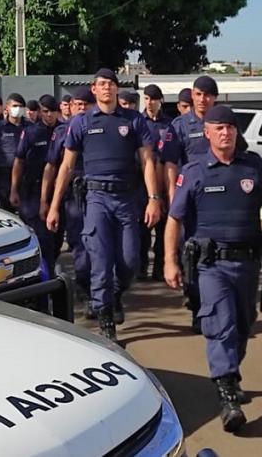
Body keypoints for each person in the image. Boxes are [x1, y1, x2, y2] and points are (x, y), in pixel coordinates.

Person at [164, 105, 262, 433]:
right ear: (207, 133)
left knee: (244, 325)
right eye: (219, 128)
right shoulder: (194, 172)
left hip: (247, 263)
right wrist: (169, 260)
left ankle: (230, 375)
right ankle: (226, 397)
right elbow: (174, 220)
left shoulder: (253, 167)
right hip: (211, 266)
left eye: (231, 127)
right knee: (222, 324)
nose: (226, 133)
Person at [47, 69, 161, 343]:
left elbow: (147, 162)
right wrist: (53, 206)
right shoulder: (81, 123)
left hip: (126, 199)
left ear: (116, 89)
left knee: (130, 261)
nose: (107, 88)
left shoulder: (133, 120)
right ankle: (106, 317)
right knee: (100, 260)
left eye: (111, 84)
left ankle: (115, 294)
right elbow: (66, 166)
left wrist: (154, 199)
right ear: (94, 90)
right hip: (95, 199)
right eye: (102, 84)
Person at [160, 76, 221, 330]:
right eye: (198, 94)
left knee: (219, 255)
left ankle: (219, 307)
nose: (203, 99)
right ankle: (197, 306)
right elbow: (171, 162)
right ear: (192, 96)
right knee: (193, 254)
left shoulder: (223, 122)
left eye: (208, 95)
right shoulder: (180, 125)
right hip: (191, 200)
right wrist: (173, 195)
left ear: (215, 97)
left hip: (219, 199)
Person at [41, 87, 94, 317]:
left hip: (99, 194)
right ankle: (86, 288)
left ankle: (103, 289)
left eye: (86, 105)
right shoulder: (62, 133)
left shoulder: (102, 128)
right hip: (73, 197)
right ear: (70, 107)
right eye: (78, 104)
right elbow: (52, 167)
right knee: (80, 245)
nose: (81, 109)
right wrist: (48, 201)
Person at [12, 95, 60, 279]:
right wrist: (14, 189)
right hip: (32, 191)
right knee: (42, 238)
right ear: (40, 112)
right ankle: (45, 279)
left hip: (57, 192)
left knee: (56, 239)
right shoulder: (31, 132)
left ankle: (52, 271)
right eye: (46, 112)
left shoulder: (63, 130)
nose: (49, 115)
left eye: (52, 111)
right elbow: (19, 161)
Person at [137, 84, 171, 281]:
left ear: (160, 101)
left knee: (163, 231)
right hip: (143, 185)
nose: (150, 103)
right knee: (142, 231)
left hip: (164, 184)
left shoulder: (169, 125)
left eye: (154, 99)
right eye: (147, 99)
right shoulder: (139, 122)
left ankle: (159, 269)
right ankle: (141, 268)